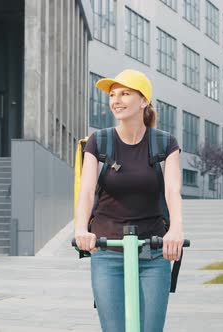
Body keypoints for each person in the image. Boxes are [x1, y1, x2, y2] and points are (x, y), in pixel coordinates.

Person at [74, 69, 184, 332]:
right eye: (113, 95)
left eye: (125, 93)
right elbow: (87, 191)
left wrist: (176, 229)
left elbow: (172, 191)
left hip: (153, 252)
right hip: (107, 250)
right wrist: (80, 230)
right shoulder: (98, 142)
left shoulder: (165, 144)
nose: (116, 100)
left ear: (143, 101)